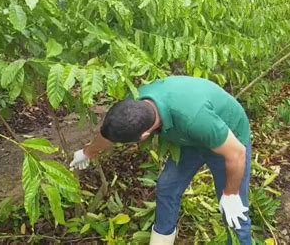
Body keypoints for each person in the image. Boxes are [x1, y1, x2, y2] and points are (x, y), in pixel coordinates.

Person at [69, 76, 252, 245]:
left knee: (234, 213)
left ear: (145, 135)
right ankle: (162, 239)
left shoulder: (194, 118)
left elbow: (236, 153)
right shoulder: (132, 106)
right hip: (189, 140)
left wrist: (231, 193)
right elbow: (110, 134)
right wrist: (88, 152)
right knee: (167, 187)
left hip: (229, 141)